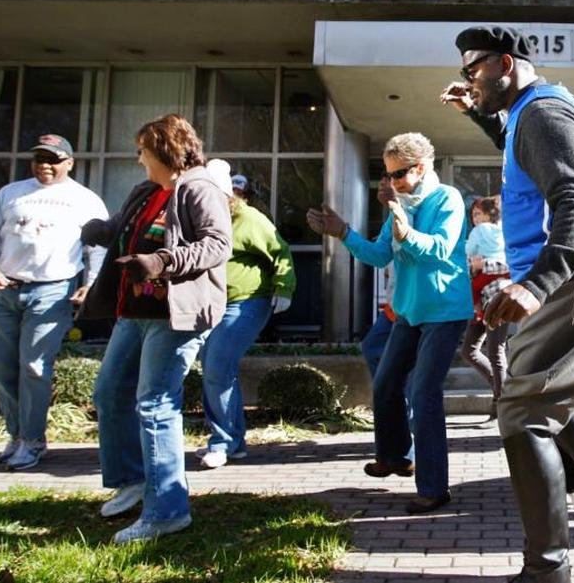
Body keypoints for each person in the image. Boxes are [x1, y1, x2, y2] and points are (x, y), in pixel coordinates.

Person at [442, 26, 574, 583]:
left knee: (522, 411)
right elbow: (534, 164)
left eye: (474, 70)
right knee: (531, 394)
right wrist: (481, 115)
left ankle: (547, 570)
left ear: (505, 63)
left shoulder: (542, 115)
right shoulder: (529, 115)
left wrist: (536, 285)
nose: (469, 81)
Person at [80, 113, 231, 543]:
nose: (138, 157)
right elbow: (128, 230)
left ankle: (167, 510)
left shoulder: (200, 188)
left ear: (165, 150)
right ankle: (133, 481)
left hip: (176, 316)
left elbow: (218, 245)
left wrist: (163, 263)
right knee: (110, 392)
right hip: (134, 313)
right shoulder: (147, 190)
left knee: (154, 405)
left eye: (143, 150)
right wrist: (102, 231)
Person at [307, 132, 471, 515]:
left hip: (445, 311)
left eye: (399, 174)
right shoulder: (400, 203)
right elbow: (380, 255)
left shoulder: (447, 199)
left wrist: (405, 228)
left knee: (424, 394)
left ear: (422, 167)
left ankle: (434, 488)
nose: (392, 182)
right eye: (388, 174)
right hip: (410, 312)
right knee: (385, 383)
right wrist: (343, 231)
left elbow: (439, 250)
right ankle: (395, 457)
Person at [0, 133, 108, 470]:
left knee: (34, 366)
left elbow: (99, 246)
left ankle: (33, 440)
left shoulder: (84, 199)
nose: (45, 165)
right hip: (5, 288)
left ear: (69, 163)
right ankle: (16, 435)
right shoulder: (11, 193)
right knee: (0, 366)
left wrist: (91, 284)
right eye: (39, 159)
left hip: (52, 290)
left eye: (53, 159)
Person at [196, 159, 296, 469]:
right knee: (215, 369)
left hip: (247, 302)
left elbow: (281, 252)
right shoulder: (198, 219)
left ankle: (223, 441)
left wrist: (284, 288)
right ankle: (234, 442)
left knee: (217, 365)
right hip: (210, 304)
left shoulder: (249, 218)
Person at [461, 195, 510, 421]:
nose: (475, 218)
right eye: (473, 215)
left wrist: (482, 264)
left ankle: (503, 404)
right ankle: (503, 392)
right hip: (480, 300)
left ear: (491, 214)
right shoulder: (496, 233)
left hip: (497, 296)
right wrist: (474, 267)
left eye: (478, 214)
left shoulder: (502, 233)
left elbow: (513, 264)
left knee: (495, 351)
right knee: (469, 351)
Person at [359, 175, 398, 378]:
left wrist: (397, 204)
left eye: (391, 178)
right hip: (395, 307)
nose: (382, 184)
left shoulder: (427, 207)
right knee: (372, 348)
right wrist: (344, 233)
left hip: (418, 308)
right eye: (382, 179)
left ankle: (402, 406)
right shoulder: (391, 219)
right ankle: (391, 402)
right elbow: (379, 255)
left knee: (406, 363)